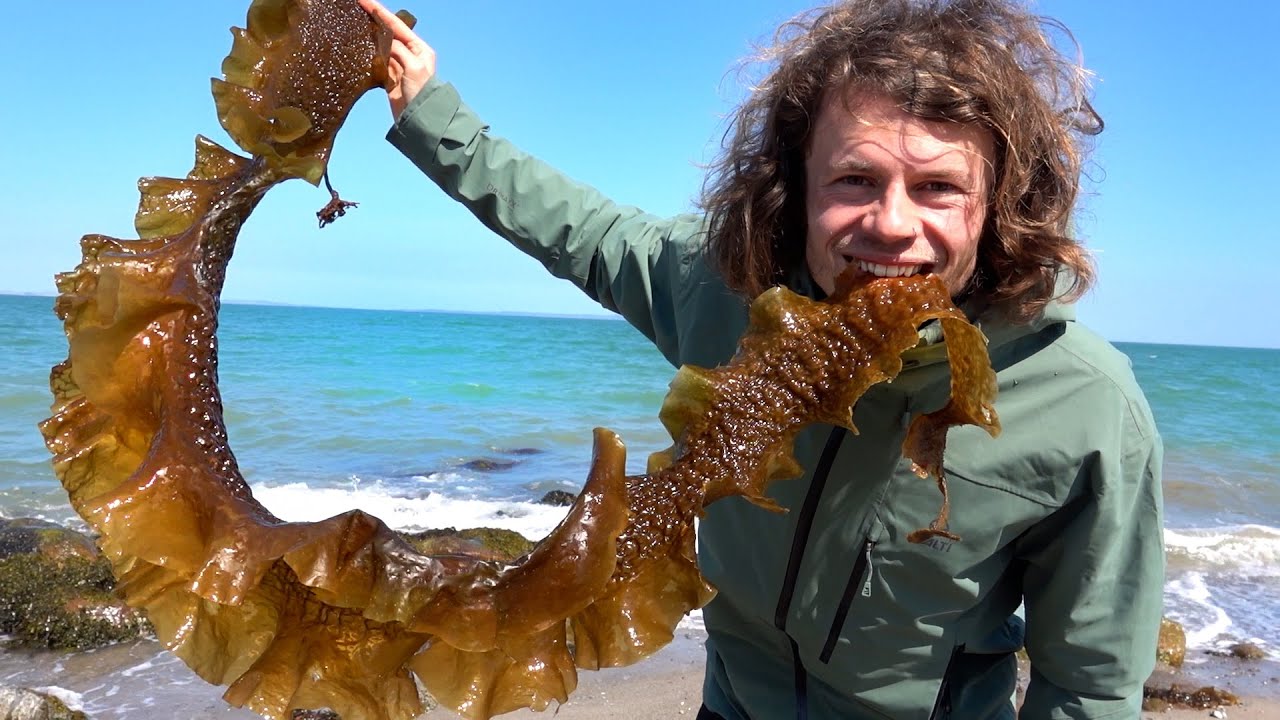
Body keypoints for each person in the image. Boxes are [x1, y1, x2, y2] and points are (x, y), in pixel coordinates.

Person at [356, 0, 1165, 717]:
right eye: (855, 178)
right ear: (796, 186)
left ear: (1000, 205)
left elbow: (1090, 683)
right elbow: (579, 230)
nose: (891, 223)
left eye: (937, 188)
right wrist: (433, 114)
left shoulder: (1085, 403)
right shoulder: (726, 294)